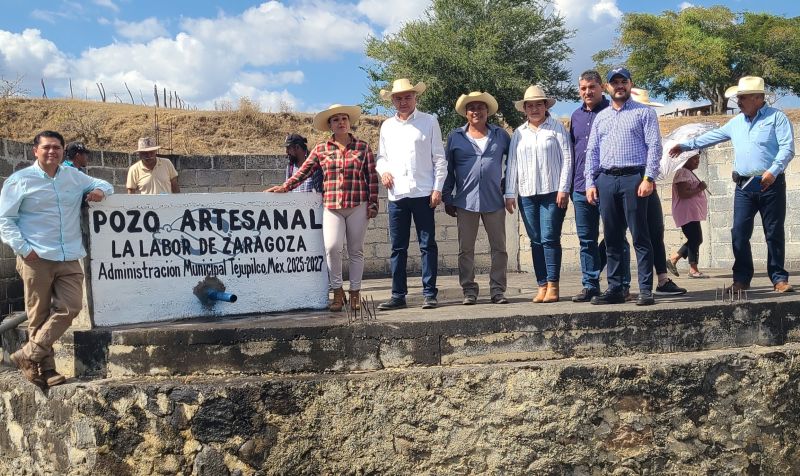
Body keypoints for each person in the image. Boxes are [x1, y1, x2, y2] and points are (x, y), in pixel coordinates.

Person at [0, 130, 113, 387]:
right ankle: (46, 370)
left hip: (69, 255)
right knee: (38, 315)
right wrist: (23, 248)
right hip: (35, 256)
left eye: (57, 148)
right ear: (35, 151)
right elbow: (5, 219)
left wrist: (99, 192)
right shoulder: (20, 180)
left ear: (64, 151)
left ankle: (27, 354)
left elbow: (105, 184)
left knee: (71, 306)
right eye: (47, 147)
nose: (52, 152)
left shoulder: (73, 176)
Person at [669, 76, 795, 293]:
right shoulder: (736, 123)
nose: (739, 101)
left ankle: (779, 278)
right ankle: (741, 280)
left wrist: (773, 171)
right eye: (738, 97)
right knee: (739, 232)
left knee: (773, 232)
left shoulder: (777, 119)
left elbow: (787, 148)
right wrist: (686, 145)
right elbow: (713, 136)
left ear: (758, 98)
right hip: (744, 187)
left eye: (743, 97)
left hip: (771, 185)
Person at [267, 105, 379, 312]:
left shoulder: (363, 147)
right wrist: (285, 187)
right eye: (336, 120)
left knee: (356, 251)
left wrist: (373, 203)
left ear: (349, 122)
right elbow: (304, 171)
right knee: (332, 248)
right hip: (332, 205)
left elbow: (371, 177)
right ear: (330, 125)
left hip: (358, 204)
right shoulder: (321, 149)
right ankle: (338, 292)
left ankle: (355, 292)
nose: (341, 122)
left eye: (344, 118)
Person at [585, 67, 661, 306]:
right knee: (612, 236)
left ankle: (646, 289)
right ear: (608, 87)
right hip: (606, 179)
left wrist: (648, 178)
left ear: (630, 84)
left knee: (640, 235)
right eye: (614, 82)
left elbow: (655, 148)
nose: (619, 86)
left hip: (633, 179)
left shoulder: (644, 113)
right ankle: (616, 287)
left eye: (623, 82)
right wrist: (590, 182)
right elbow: (593, 152)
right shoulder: (601, 117)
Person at [375, 78, 447, 311]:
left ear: (416, 98)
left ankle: (429, 293)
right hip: (397, 194)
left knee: (427, 245)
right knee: (398, 247)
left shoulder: (429, 121)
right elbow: (381, 157)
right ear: (392, 101)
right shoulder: (387, 126)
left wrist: (438, 188)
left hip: (424, 192)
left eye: (407, 97)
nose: (403, 101)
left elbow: (439, 159)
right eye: (398, 98)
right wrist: (384, 171)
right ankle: (398, 295)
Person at [442, 91, 513, 305]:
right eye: (472, 108)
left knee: (499, 248)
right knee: (466, 249)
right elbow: (448, 168)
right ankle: (469, 290)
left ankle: (497, 290)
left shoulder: (501, 135)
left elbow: (514, 162)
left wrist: (507, 186)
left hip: (494, 200)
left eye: (480, 107)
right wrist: (447, 196)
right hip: (465, 201)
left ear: (487, 111)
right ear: (466, 113)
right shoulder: (456, 136)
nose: (476, 111)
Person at [506, 85, 572, 303]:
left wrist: (564, 188)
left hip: (552, 192)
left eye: (538, 104)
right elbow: (512, 164)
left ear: (546, 106)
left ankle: (553, 285)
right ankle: (541, 285)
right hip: (527, 193)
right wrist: (509, 193)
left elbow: (567, 159)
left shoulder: (556, 128)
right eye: (530, 105)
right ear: (524, 109)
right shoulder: (519, 133)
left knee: (549, 238)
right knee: (535, 240)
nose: (534, 109)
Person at [629, 88, 687, 297]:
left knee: (655, 230)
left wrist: (650, 176)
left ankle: (662, 279)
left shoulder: (650, 127)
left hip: (647, 182)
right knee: (615, 234)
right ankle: (601, 281)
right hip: (628, 180)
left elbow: (655, 153)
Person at [666, 151, 708, 278]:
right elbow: (683, 194)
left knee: (696, 239)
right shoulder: (682, 172)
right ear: (686, 160)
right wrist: (700, 188)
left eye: (698, 158)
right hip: (686, 212)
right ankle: (691, 268)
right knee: (695, 239)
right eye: (694, 159)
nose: (697, 161)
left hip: (692, 212)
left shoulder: (688, 173)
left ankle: (676, 260)